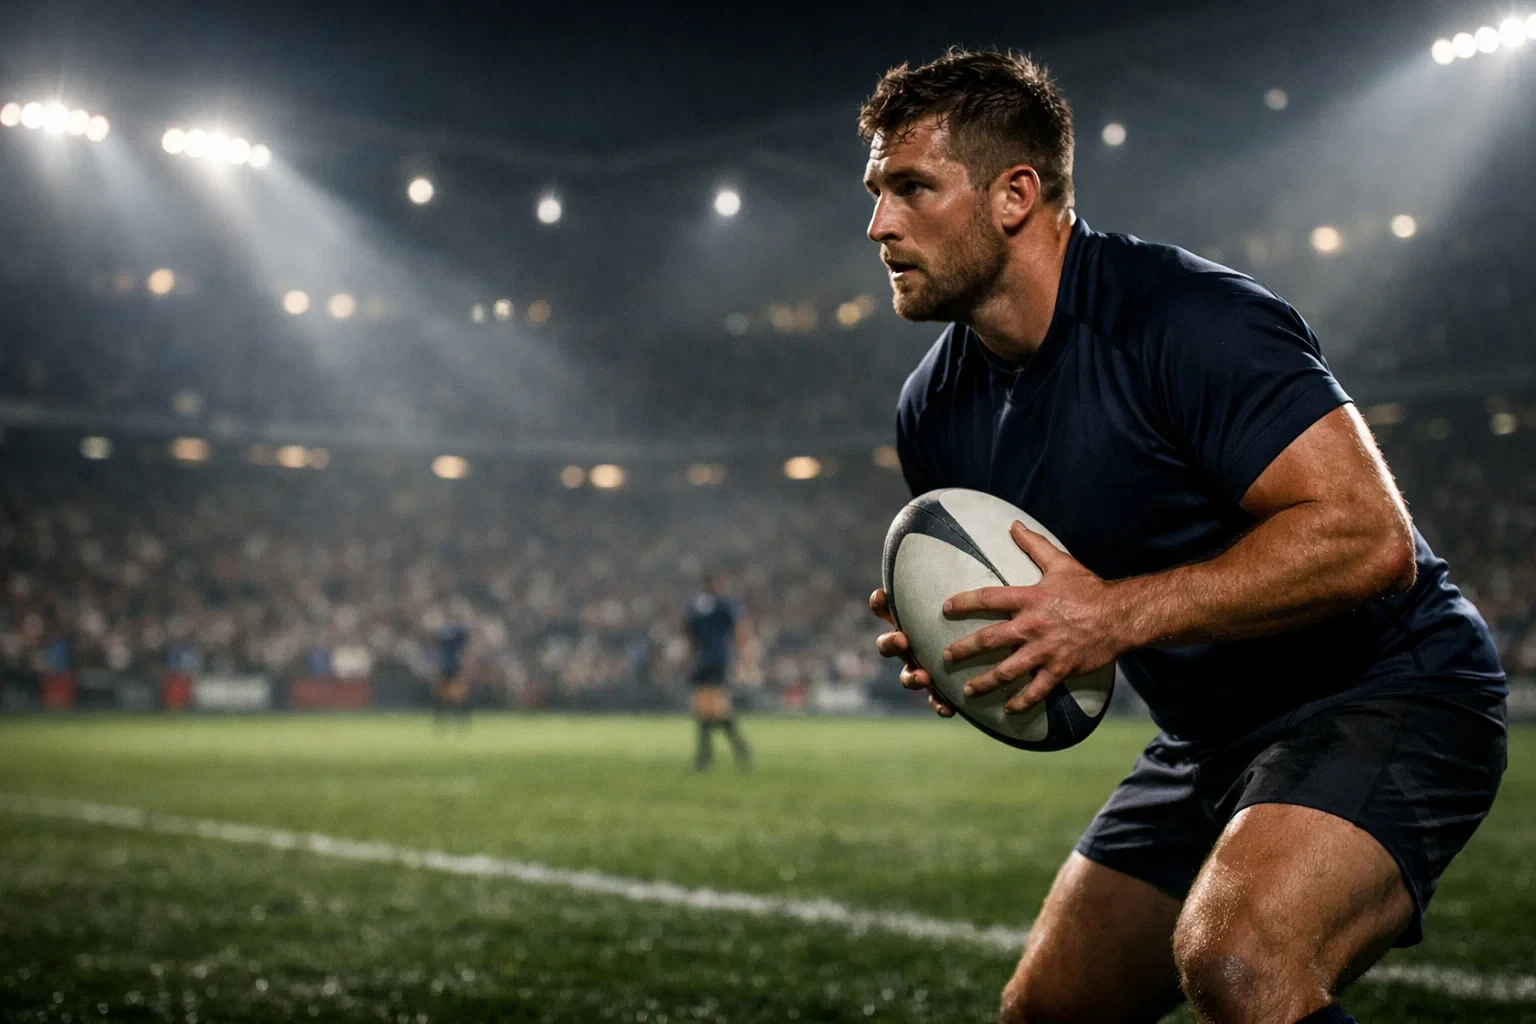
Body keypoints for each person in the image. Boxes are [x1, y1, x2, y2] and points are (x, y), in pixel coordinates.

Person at [861, 49, 1506, 1024]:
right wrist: (975, 641)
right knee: (1047, 1014)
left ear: (1014, 195)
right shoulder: (932, 412)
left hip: (1389, 687)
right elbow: (1058, 602)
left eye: (912, 188)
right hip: (1207, 735)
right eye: (874, 192)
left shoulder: (1186, 317)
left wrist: (1113, 614)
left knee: (1241, 961)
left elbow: (1370, 540)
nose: (878, 224)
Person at [685, 573, 753, 771]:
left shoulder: (695, 606)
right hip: (719, 658)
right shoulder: (726, 604)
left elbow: (690, 636)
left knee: (707, 708)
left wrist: (691, 659)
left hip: (704, 660)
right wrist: (743, 657)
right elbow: (740, 629)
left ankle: (707, 756)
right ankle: (737, 749)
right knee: (709, 708)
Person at [431, 622, 473, 729]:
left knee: (459, 695)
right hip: (447, 667)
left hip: (456, 667)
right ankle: (441, 720)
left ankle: (462, 720)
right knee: (443, 695)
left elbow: (467, 648)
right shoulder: (445, 632)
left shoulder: (459, 633)